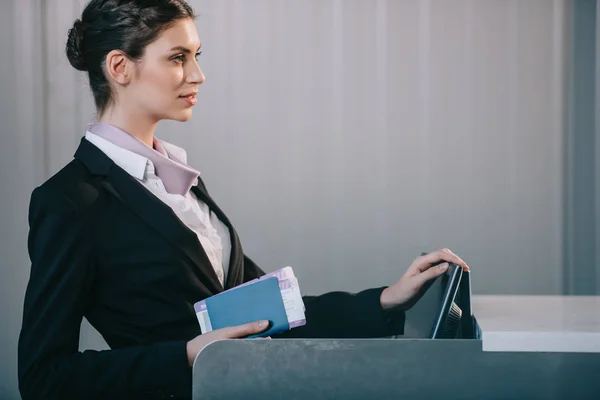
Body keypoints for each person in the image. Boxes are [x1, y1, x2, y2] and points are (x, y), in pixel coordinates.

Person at [17, 1, 470, 399]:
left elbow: (269, 316)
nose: (198, 74)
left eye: (196, 56)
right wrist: (187, 357)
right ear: (120, 68)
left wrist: (384, 300)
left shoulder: (179, 179)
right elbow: (44, 377)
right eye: (178, 58)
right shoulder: (71, 201)